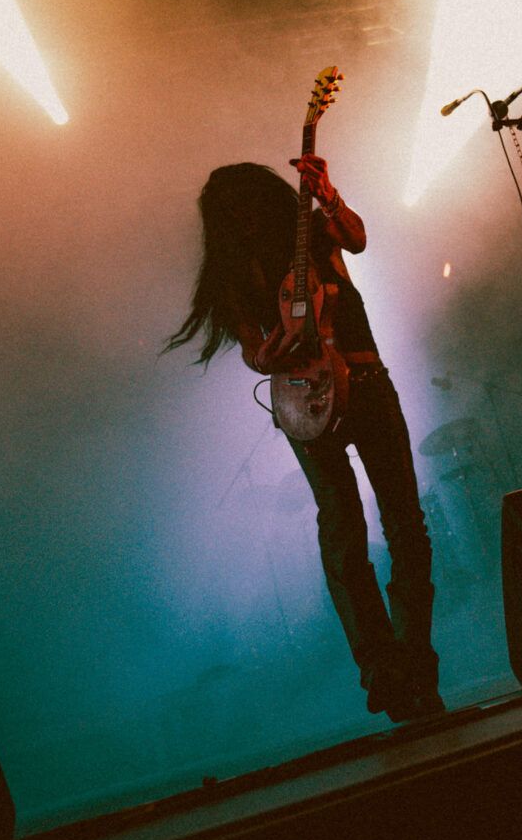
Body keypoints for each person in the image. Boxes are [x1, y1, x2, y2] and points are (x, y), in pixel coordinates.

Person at [166, 156, 443, 723]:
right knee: (342, 528)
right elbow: (250, 347)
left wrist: (327, 194)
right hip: (302, 400)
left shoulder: (313, 233)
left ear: (266, 200)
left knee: (405, 520)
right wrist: (267, 353)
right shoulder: (232, 271)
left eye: (248, 206)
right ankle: (380, 667)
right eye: (230, 214)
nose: (243, 220)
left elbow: (358, 239)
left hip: (365, 380)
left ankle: (414, 658)